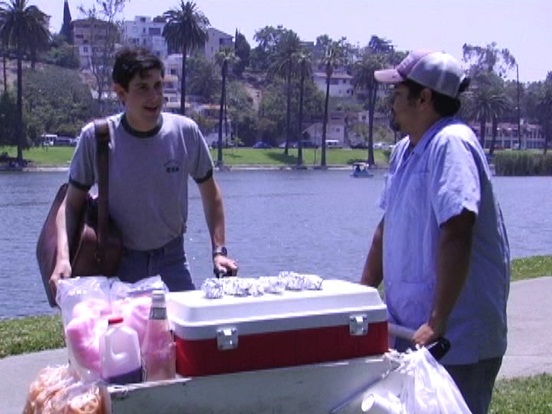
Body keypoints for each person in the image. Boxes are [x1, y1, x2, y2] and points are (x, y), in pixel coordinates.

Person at [359, 50, 510, 414]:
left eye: (398, 92)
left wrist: (436, 321)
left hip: (454, 339)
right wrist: (359, 298)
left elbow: (458, 228)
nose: (391, 101)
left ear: (424, 98)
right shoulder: (404, 151)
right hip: (414, 335)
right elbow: (386, 228)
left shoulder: (451, 143)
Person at [50, 46, 238, 292]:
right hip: (117, 262)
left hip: (172, 260)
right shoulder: (96, 138)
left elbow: (211, 194)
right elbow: (70, 206)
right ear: (120, 92)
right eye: (143, 87)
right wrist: (62, 258)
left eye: (158, 85)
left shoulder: (186, 132)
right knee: (124, 331)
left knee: (186, 329)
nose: (155, 97)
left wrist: (219, 250)